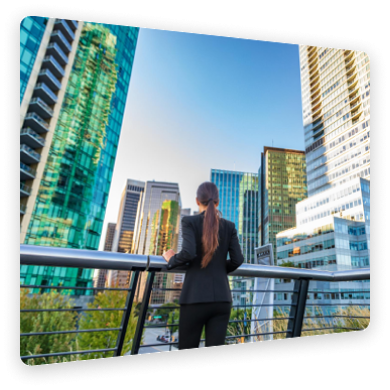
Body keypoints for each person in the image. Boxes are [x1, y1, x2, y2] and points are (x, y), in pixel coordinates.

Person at [162, 181, 244, 350]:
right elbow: (237, 260)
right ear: (218, 202)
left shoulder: (189, 222)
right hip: (222, 300)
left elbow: (188, 253)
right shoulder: (229, 226)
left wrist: (171, 259)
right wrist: (219, 268)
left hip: (195, 298)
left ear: (197, 201)